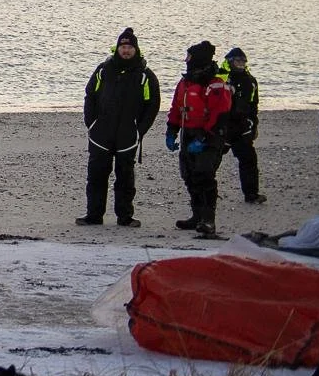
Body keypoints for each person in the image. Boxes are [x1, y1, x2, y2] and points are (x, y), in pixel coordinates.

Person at [78, 28, 161, 227]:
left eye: (129, 47)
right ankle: (94, 215)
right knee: (96, 176)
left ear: (136, 49)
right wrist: (91, 123)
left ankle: (125, 217)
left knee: (125, 179)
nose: (126, 51)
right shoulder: (103, 70)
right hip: (101, 134)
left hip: (127, 136)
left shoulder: (145, 75)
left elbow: (153, 105)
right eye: (123, 47)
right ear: (117, 48)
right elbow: (90, 95)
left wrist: (139, 130)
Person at [166, 41, 234, 236]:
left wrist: (204, 137)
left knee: (204, 175)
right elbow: (176, 108)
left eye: (189, 57)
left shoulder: (215, 84)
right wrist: (171, 129)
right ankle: (197, 215)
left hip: (209, 136)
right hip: (188, 133)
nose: (186, 60)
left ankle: (208, 220)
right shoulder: (185, 82)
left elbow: (219, 114)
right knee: (189, 175)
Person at [219, 47, 266, 204]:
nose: (241, 64)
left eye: (243, 61)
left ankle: (251, 194)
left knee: (249, 161)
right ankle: (204, 195)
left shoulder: (250, 81)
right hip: (222, 127)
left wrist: (253, 125)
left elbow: (253, 106)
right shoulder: (220, 78)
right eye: (238, 61)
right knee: (211, 162)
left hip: (242, 128)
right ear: (231, 62)